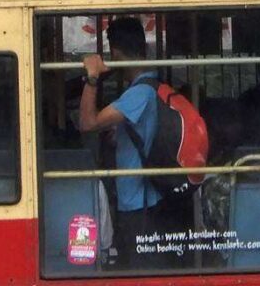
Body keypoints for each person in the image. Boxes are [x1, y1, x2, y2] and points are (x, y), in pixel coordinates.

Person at [79, 17, 187, 268]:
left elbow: (87, 123)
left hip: (140, 203)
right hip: (149, 200)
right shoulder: (152, 86)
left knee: (140, 268)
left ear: (115, 52)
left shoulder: (139, 94)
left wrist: (92, 77)